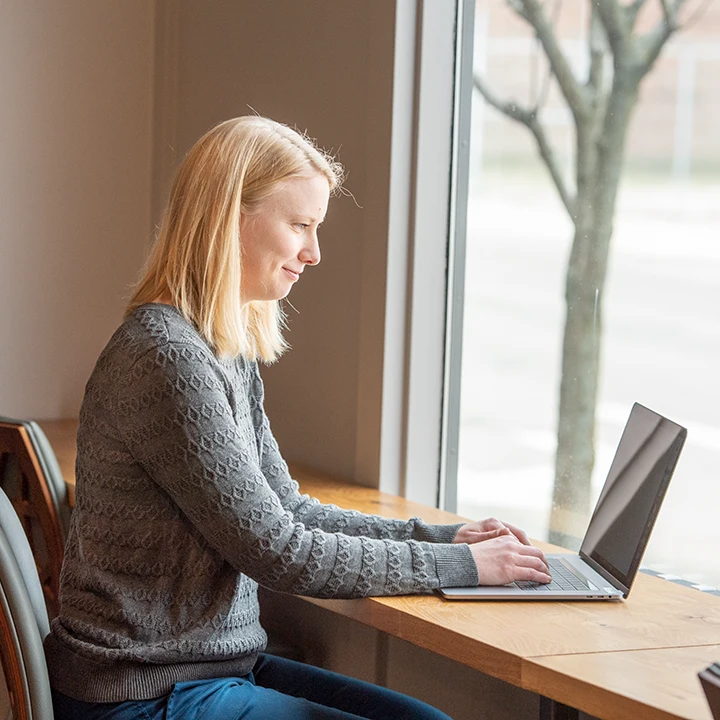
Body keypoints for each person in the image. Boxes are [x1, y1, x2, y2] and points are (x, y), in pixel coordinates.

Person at [45, 116, 551, 720]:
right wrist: (463, 567)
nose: (314, 253)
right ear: (231, 218)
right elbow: (278, 551)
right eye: (301, 226)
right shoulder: (167, 357)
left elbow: (288, 509)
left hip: (201, 669)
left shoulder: (221, 349)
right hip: (143, 691)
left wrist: (446, 537)